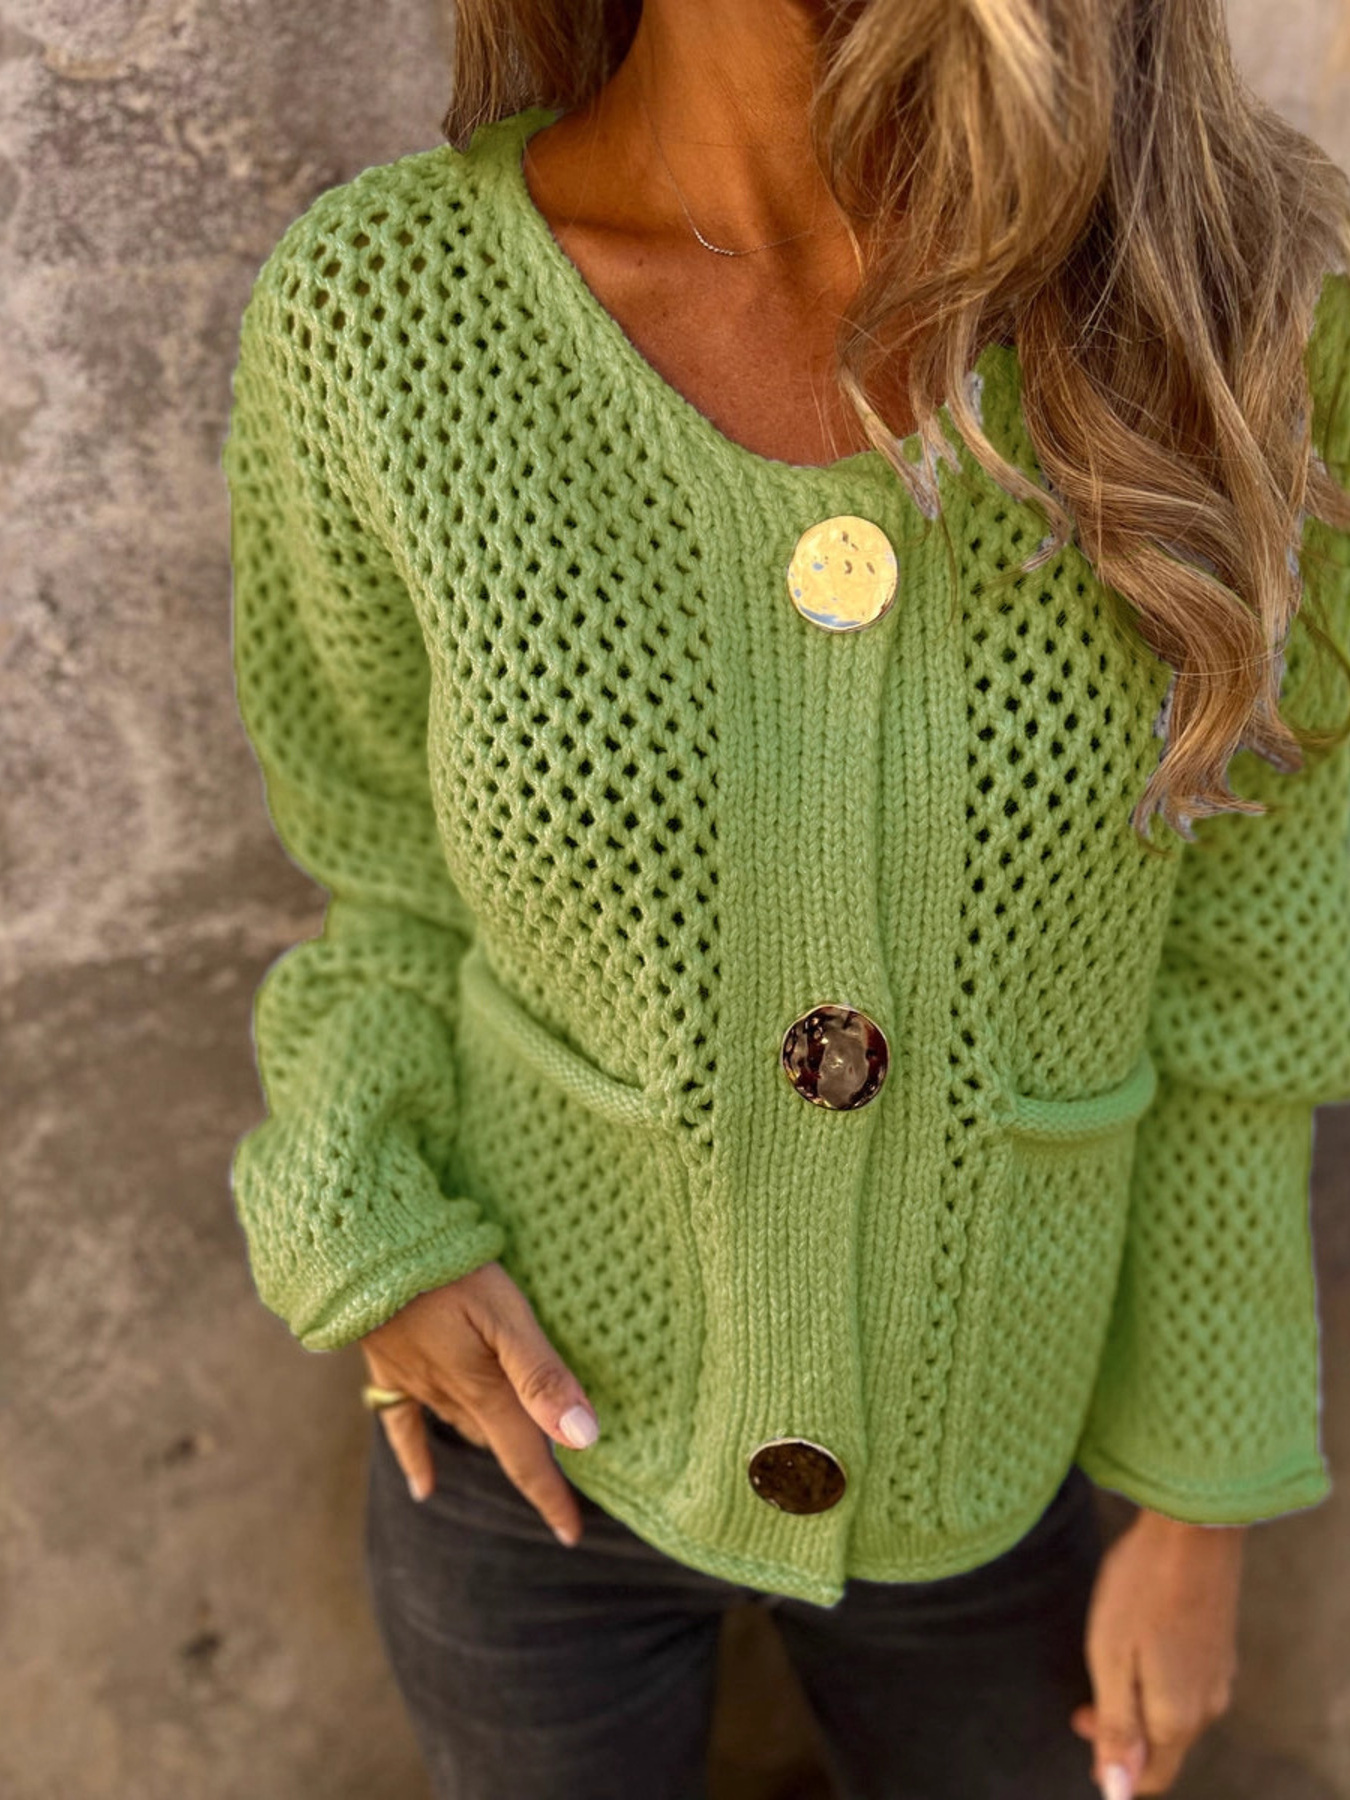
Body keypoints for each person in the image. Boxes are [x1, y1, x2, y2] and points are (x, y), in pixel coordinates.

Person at [220, 2, 1350, 1796]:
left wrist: (1196, 1502)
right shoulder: (383, 314)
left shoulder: (1223, 326)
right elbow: (380, 877)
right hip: (527, 1455)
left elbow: (1245, 994)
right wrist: (370, 1236)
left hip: (1000, 1464)